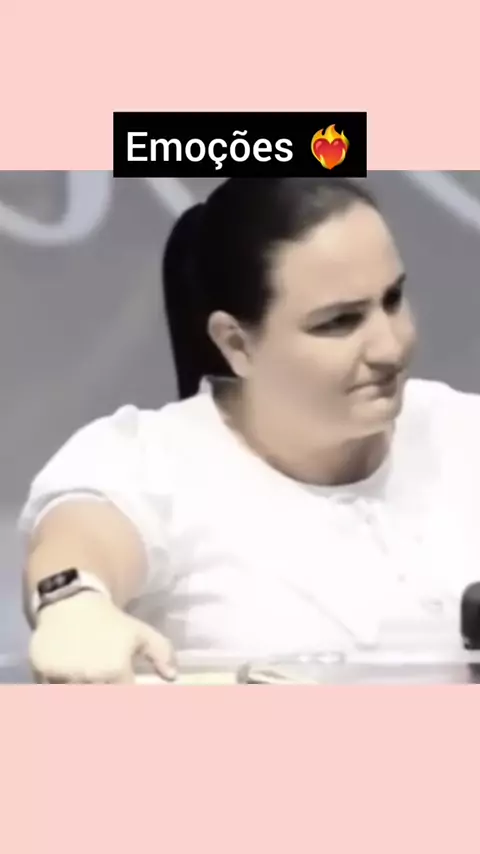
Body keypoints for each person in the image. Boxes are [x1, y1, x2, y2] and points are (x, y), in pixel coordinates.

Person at [18, 177, 480, 683]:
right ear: (236, 343)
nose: (389, 347)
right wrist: (74, 603)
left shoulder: (462, 430)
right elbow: (78, 543)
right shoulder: (147, 460)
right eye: (339, 322)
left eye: (392, 300)